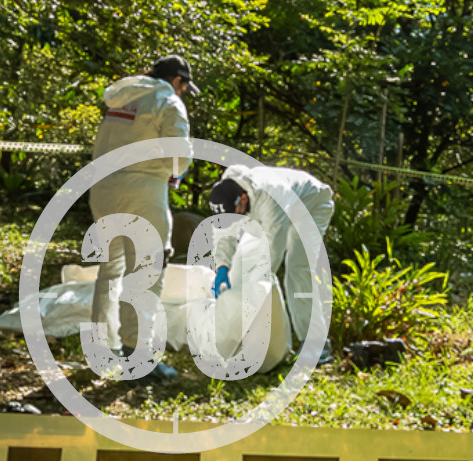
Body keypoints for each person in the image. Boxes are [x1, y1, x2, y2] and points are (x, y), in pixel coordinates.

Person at [87, 55, 198, 382]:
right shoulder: (167, 101)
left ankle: (103, 348)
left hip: (103, 188)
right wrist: (175, 175)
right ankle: (140, 356)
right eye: (185, 88)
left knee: (110, 270)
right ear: (177, 80)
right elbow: (178, 154)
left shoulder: (122, 98)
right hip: (142, 190)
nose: (183, 94)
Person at [207, 165, 335, 348]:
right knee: (241, 261)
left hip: (311, 206)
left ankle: (316, 344)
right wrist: (222, 267)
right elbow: (224, 233)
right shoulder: (228, 190)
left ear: (243, 198)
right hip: (273, 209)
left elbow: (271, 255)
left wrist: (254, 295)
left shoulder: (272, 199)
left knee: (298, 267)